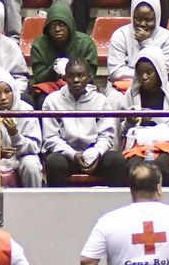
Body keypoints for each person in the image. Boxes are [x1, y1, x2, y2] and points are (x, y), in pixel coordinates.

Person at [42, 58, 128, 186]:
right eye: (71, 76)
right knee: (53, 162)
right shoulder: (52, 101)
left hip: (94, 154)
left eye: (80, 76)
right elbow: (51, 138)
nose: (76, 80)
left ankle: (116, 203)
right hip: (66, 155)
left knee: (117, 160)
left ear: (89, 77)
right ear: (65, 78)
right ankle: (58, 205)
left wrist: (95, 153)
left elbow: (107, 136)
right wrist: (73, 155)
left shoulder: (100, 101)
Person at [121, 53, 169, 187]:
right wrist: (129, 122)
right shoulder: (131, 94)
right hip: (140, 144)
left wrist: (156, 116)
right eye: (140, 73)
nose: (144, 77)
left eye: (149, 72)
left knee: (162, 165)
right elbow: (124, 133)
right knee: (133, 165)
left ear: (159, 72)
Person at [0, 73, 43, 187]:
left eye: (7, 91)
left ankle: (33, 201)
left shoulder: (26, 109)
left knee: (31, 163)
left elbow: (34, 146)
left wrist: (15, 134)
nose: (3, 97)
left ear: (14, 92)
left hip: (21, 157)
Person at [27, 0, 97, 102]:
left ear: (70, 25)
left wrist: (72, 75)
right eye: (52, 26)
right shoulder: (39, 44)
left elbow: (90, 75)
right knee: (40, 98)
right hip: (50, 87)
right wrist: (53, 69)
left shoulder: (85, 42)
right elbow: (39, 77)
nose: (57, 29)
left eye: (61, 24)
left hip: (80, 86)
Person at [107, 0, 169, 85]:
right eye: (138, 19)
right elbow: (115, 73)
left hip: (156, 87)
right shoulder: (120, 35)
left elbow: (164, 72)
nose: (142, 24)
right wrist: (148, 74)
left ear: (157, 18)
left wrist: (147, 43)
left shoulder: (167, 38)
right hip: (124, 86)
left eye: (148, 20)